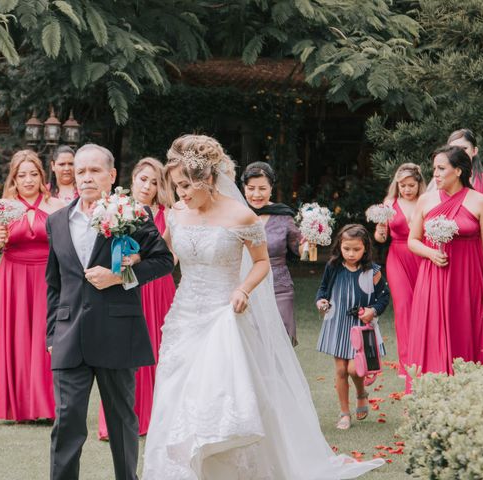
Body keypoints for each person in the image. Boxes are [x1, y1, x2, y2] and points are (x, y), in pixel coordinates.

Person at [142, 134, 384, 479]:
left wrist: (243, 288)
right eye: (177, 186)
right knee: (175, 393)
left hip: (224, 316)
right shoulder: (177, 213)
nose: (180, 193)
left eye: (186, 185)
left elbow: (260, 264)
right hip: (182, 319)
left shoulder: (242, 217)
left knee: (220, 395)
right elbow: (164, 254)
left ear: (208, 179)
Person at [45, 144, 174, 480]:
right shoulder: (57, 221)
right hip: (69, 336)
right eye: (80, 171)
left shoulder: (133, 214)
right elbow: (54, 284)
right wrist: (51, 334)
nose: (86, 177)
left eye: (94, 171)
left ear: (112, 175)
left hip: (118, 334)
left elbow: (162, 261)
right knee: (67, 422)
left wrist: (120, 276)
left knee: (121, 422)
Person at [0, 150, 64, 421]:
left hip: (47, 277)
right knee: (17, 336)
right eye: (21, 175)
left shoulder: (57, 206)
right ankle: (19, 407)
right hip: (14, 276)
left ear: (42, 176)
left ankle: (47, 406)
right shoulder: (2, 206)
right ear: (13, 179)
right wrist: (1, 239)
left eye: (33, 174)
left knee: (46, 336)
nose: (28, 180)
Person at [98, 157, 176, 439]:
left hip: (158, 285)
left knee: (157, 350)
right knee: (123, 348)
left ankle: (157, 417)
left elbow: (170, 257)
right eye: (143, 179)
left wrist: (141, 256)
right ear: (132, 180)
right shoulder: (119, 210)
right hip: (127, 285)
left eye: (155, 182)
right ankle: (121, 417)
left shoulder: (169, 215)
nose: (148, 186)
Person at [407, 145, 483, 392]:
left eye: (441, 169)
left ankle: (467, 396)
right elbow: (412, 240)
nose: (436, 174)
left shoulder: (480, 201)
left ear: (459, 171)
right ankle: (429, 396)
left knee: (466, 334)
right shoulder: (425, 200)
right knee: (431, 335)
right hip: (433, 279)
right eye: (434, 169)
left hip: (468, 280)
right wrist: (430, 253)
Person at [315, 224, 390, 430]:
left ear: (365, 247)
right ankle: (344, 413)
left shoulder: (372, 272)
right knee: (340, 370)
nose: (350, 253)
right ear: (340, 246)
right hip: (338, 322)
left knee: (355, 369)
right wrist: (321, 302)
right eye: (346, 248)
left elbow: (384, 298)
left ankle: (361, 394)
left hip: (361, 326)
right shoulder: (333, 267)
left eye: (356, 249)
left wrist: (372, 311)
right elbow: (322, 290)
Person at [374, 163, 426, 376]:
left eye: (411, 185)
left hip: (422, 257)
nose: (406, 189)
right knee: (403, 307)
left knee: (422, 308)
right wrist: (379, 230)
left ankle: (424, 356)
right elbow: (380, 238)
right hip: (397, 258)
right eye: (402, 185)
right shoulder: (389, 203)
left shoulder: (426, 202)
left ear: (419, 184)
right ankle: (407, 363)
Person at [242, 161, 301, 345]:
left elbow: (299, 250)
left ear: (271, 189)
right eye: (251, 188)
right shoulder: (236, 214)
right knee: (252, 345)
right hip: (245, 288)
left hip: (279, 288)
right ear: (244, 188)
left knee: (279, 343)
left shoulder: (283, 215)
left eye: (262, 188)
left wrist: (312, 241)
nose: (256, 194)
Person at [427, 128, 483, 194]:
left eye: (464, 148)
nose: (459, 153)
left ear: (474, 151)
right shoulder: (438, 180)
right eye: (453, 149)